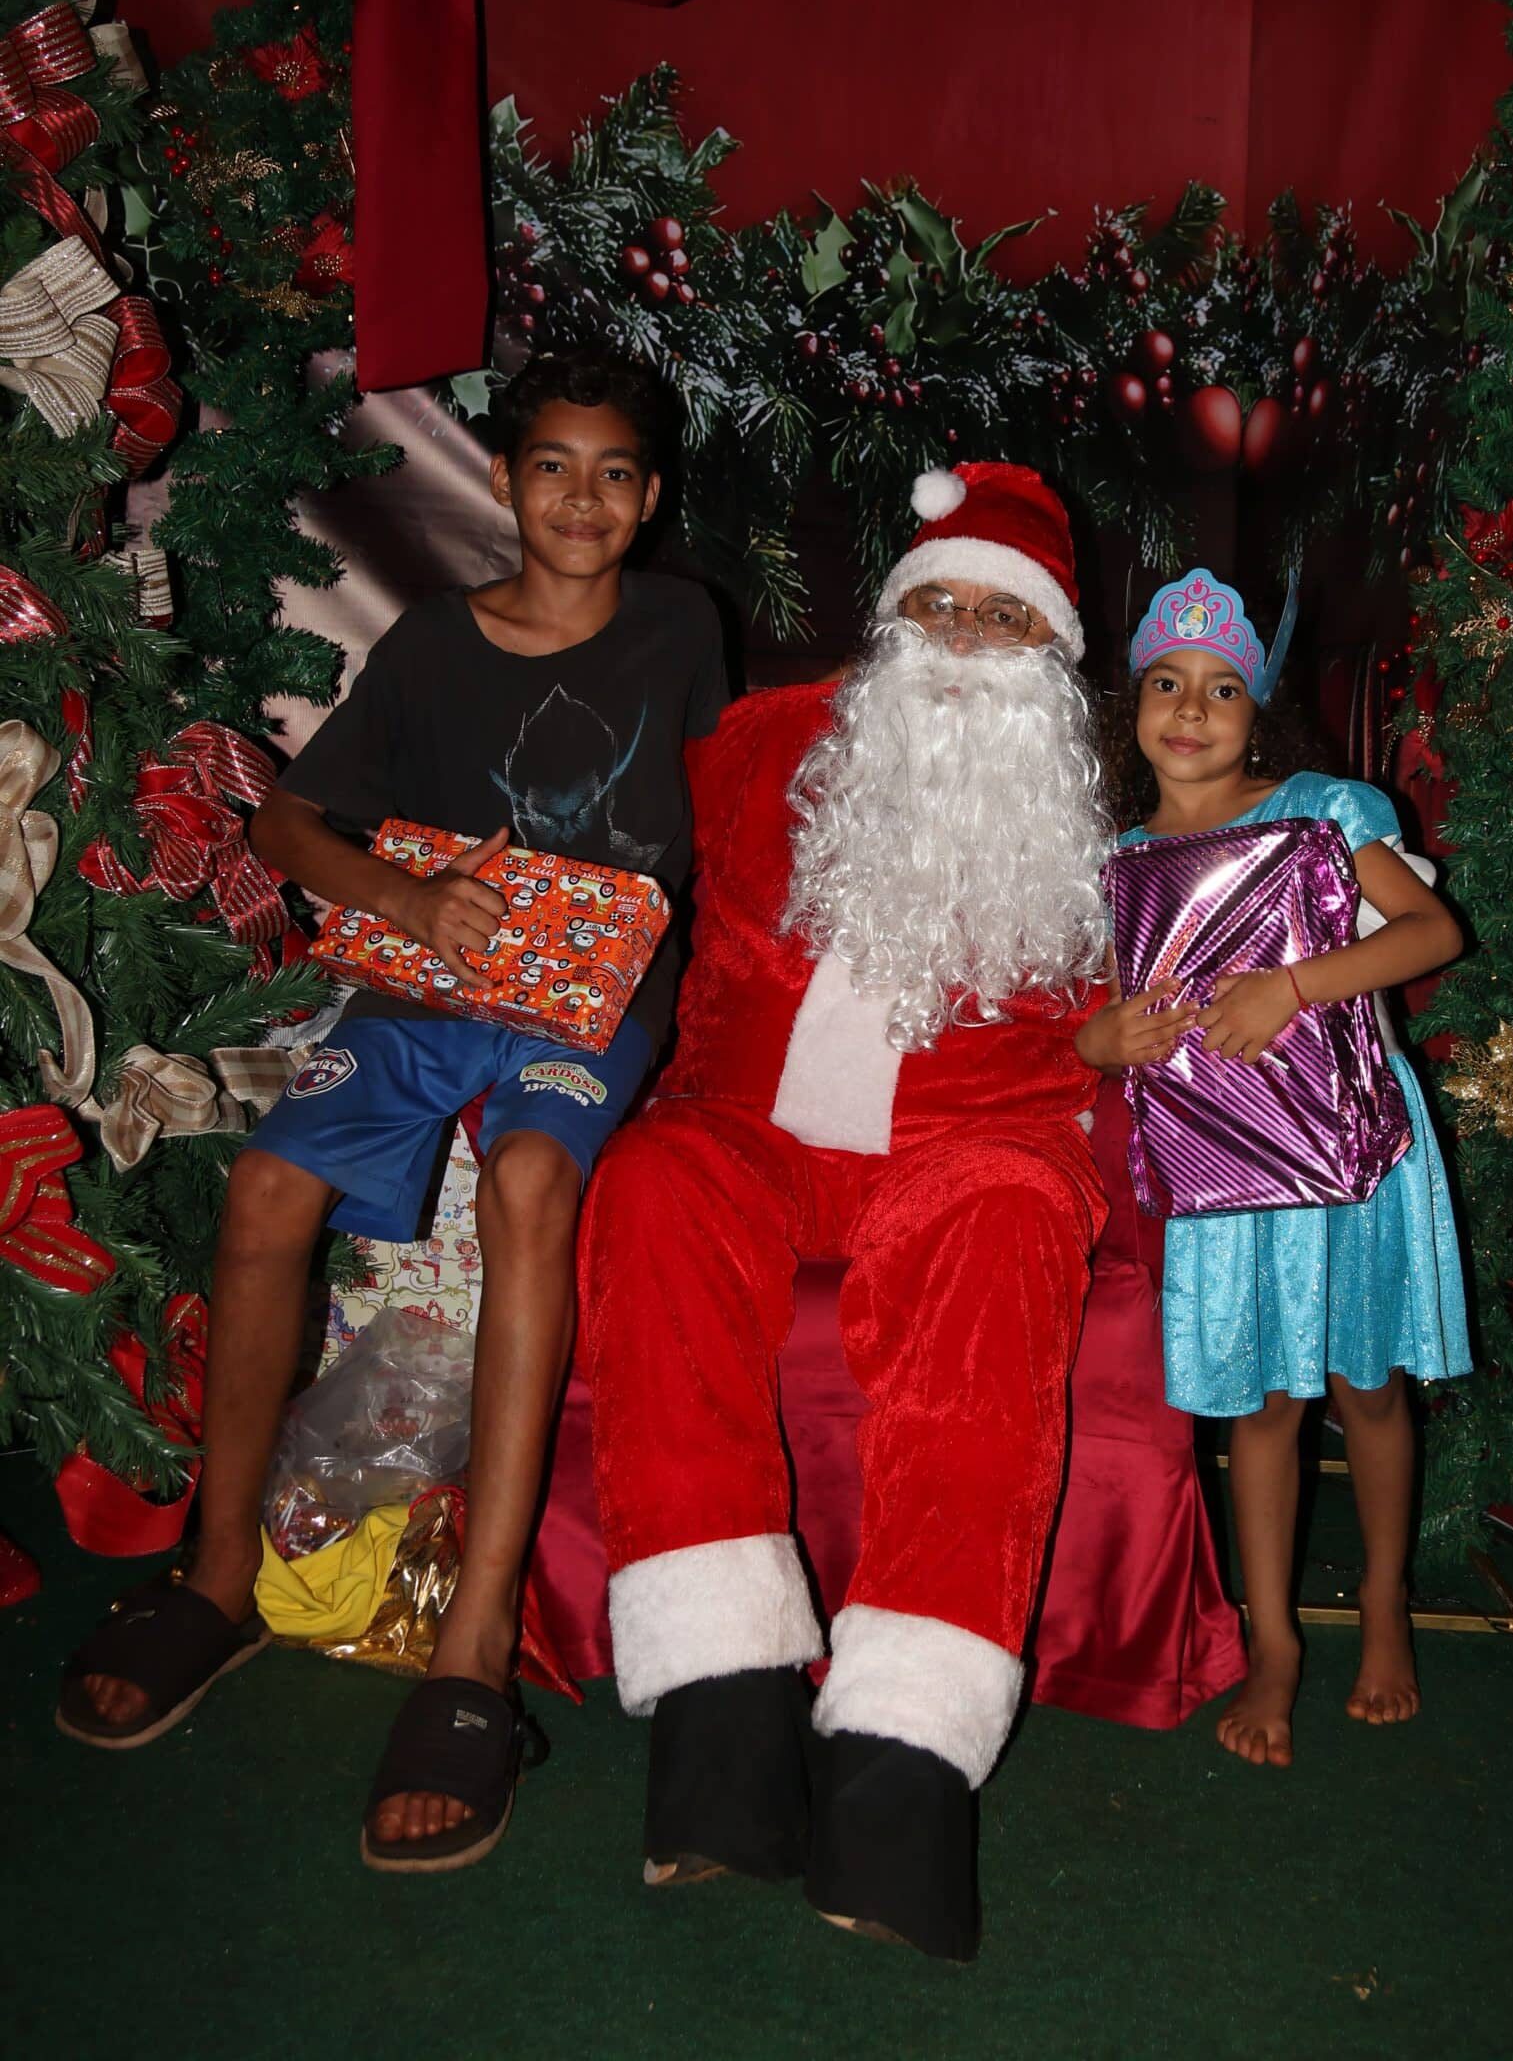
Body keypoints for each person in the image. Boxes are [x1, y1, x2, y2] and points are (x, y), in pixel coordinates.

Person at [57, 351, 727, 1874]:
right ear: (500, 481)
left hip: (591, 1001)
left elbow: (731, 805)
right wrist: (410, 903)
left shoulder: (683, 628)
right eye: (550, 465)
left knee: (530, 1178)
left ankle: (475, 1641)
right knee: (264, 1193)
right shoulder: (431, 643)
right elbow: (291, 820)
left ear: (650, 498)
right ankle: (217, 1573)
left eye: (615, 472)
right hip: (425, 984)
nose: (582, 498)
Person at [580, 461, 1112, 1961]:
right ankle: (723, 1725)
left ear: (1052, 654)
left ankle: (900, 1772)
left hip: (974, 1143)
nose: (961, 643)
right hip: (747, 1129)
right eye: (937, 608)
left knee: (1007, 1232)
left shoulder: (1100, 804)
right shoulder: (766, 744)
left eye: (1002, 618)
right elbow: (598, 814)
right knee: (651, 1182)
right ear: (888, 622)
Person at [1080, 567, 1471, 1771]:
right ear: (1134, 707)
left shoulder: (1320, 811)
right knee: (1261, 1406)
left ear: (1258, 713)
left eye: (1221, 689)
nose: (1191, 709)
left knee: (1367, 1385)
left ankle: (1386, 1603)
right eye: (1167, 683)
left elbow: (1433, 931)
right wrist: (1099, 1041)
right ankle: (1276, 1642)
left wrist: (1291, 986)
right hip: (1223, 1170)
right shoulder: (1118, 859)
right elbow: (1097, 1013)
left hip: (1349, 1150)